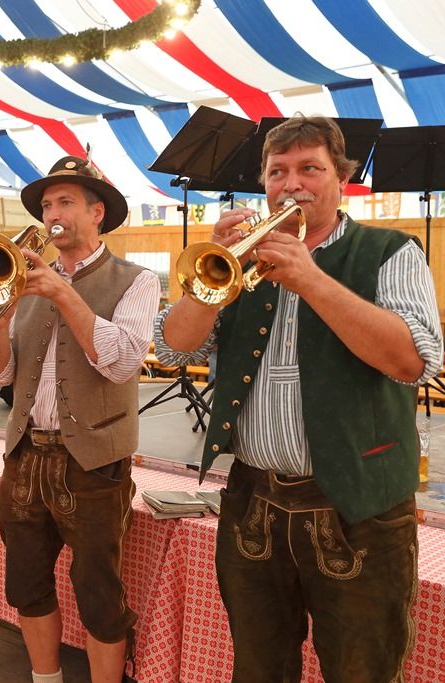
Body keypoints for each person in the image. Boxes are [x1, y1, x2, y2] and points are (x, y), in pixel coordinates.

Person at [154, 115, 443, 682]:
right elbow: (174, 347)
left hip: (360, 509)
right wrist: (214, 280)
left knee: (363, 669)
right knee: (259, 668)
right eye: (277, 172)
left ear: (342, 177)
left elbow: (413, 360)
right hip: (254, 500)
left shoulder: (389, 251)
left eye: (309, 169)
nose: (292, 185)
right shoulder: (240, 261)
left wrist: (310, 278)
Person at [0, 155, 160, 683]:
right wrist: (0, 317)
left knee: (100, 596)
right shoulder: (24, 280)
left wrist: (63, 292)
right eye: (47, 205)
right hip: (25, 454)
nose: (52, 213)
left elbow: (122, 360)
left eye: (65, 202)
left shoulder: (136, 280)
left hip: (94, 462)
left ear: (97, 211)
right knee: (27, 585)